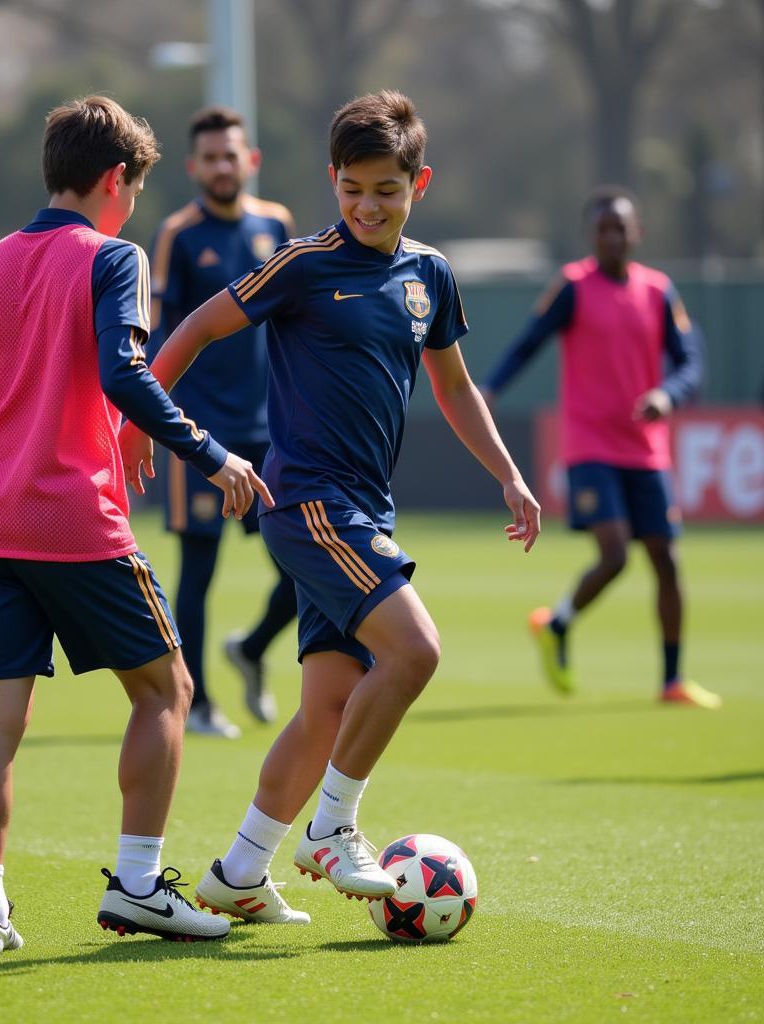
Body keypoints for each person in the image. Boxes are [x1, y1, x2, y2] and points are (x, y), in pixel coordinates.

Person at [120, 91, 540, 925]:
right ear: (331, 181)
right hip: (307, 500)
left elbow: (453, 388)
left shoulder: (430, 275)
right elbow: (195, 327)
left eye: (386, 188)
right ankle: (333, 825)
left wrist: (509, 473)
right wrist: (144, 419)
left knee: (325, 711)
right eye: (351, 188)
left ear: (420, 181)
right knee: (415, 651)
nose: (367, 205)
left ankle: (240, 872)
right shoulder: (303, 264)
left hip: (365, 510)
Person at [0, 96, 273, 954]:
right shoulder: (115, 256)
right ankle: (138, 885)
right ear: (114, 180)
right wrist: (211, 453)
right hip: (76, 518)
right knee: (166, 692)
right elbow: (124, 370)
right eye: (134, 186)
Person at [481, 186, 719, 710]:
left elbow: (690, 364)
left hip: (645, 448)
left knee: (666, 559)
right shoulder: (573, 286)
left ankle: (669, 678)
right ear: (592, 235)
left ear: (637, 233)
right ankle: (558, 625)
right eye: (602, 228)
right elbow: (528, 342)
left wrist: (667, 394)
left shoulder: (659, 292)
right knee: (614, 554)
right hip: (590, 444)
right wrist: (489, 391)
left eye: (620, 227)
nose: (612, 236)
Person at [148, 106, 298, 738]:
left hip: (273, 432)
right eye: (209, 157)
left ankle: (255, 647)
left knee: (303, 564)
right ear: (193, 167)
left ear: (250, 160)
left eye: (230, 155)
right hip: (201, 434)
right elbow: (158, 334)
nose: (221, 166)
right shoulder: (178, 234)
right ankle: (199, 703)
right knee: (198, 572)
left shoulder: (278, 224)